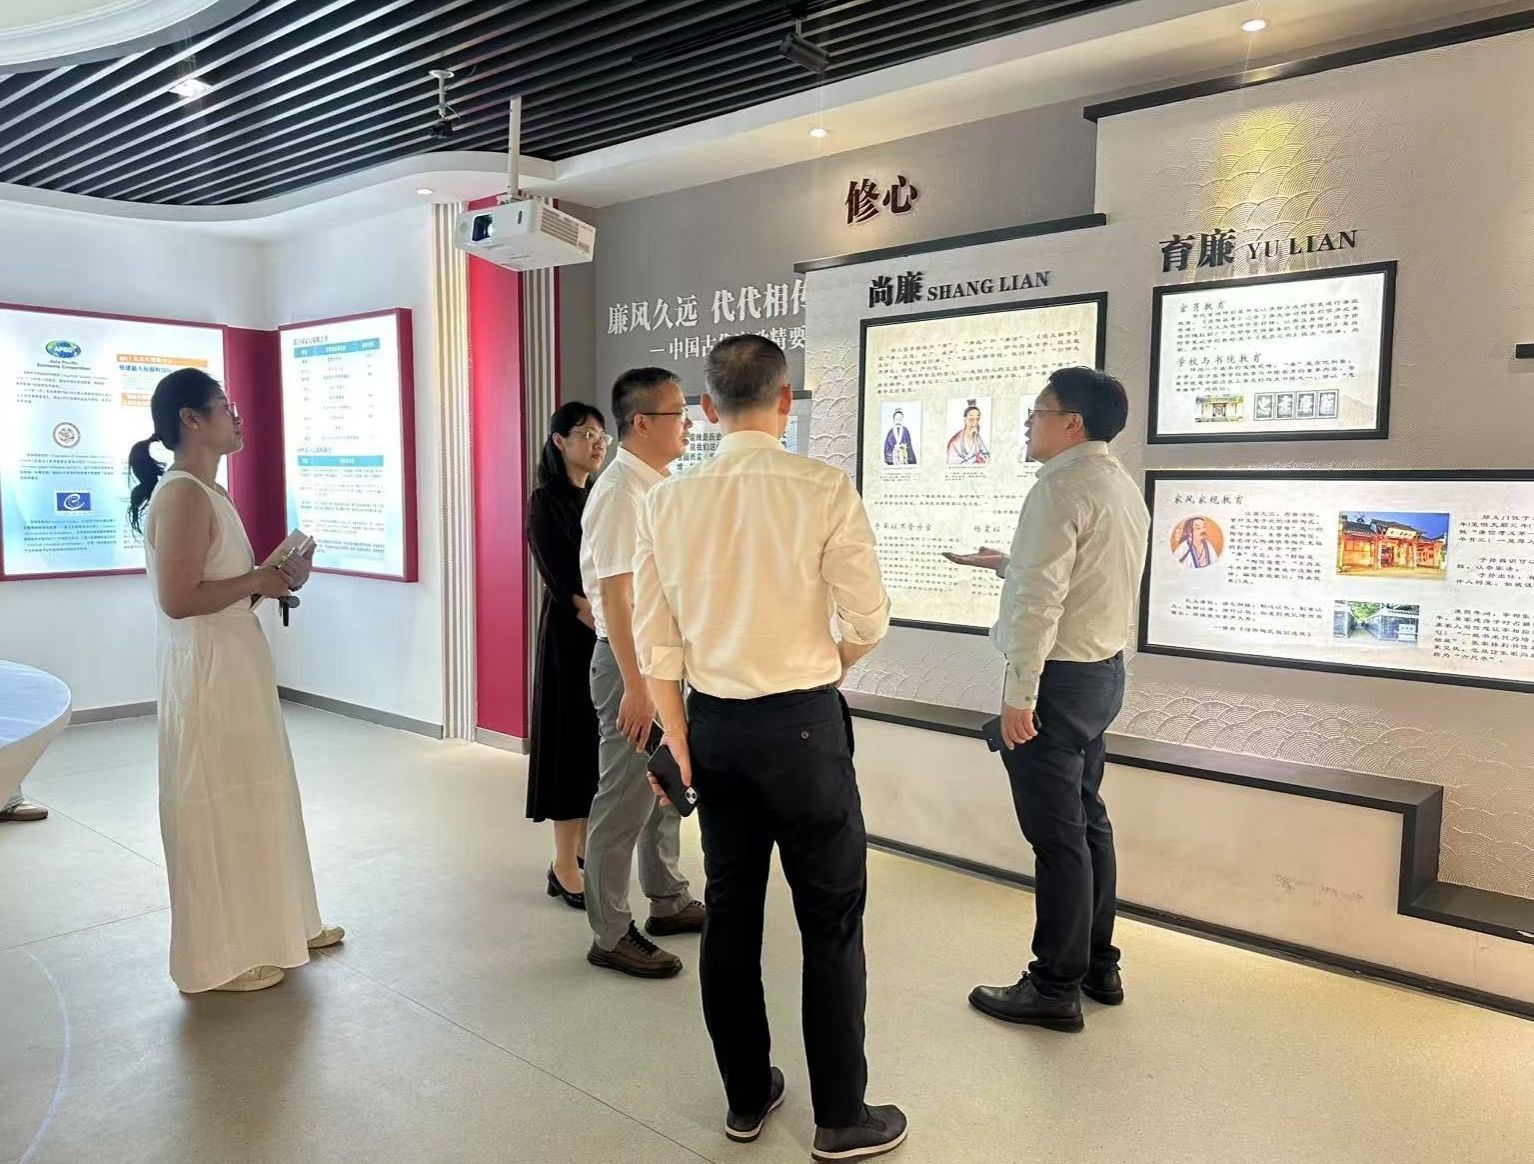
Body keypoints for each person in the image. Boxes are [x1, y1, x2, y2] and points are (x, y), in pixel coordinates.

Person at [634, 335, 907, 1161]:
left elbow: (657, 644)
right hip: (805, 728)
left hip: (714, 727)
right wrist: (830, 664)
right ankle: (841, 1117)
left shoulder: (667, 502)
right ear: (786, 402)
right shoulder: (822, 488)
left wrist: (678, 739)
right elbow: (868, 618)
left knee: (731, 913)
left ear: (707, 409)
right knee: (831, 919)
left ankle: (747, 1098)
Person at [128, 368, 340, 994]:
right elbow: (179, 599)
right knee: (217, 803)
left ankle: (283, 924)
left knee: (258, 794)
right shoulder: (183, 494)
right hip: (208, 672)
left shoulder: (209, 491)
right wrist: (259, 580)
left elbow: (219, 593)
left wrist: (273, 578)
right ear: (190, 419)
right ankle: (222, 957)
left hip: (234, 663)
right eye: (225, 406)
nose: (237, 416)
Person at [966, 367, 1148, 1032]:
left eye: (1037, 412)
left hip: (1056, 681)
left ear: (1072, 423)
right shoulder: (1118, 485)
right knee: (1088, 821)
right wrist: (1007, 564)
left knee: (1058, 838)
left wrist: (1020, 694)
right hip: (1100, 675)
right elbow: (1085, 578)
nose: (1027, 422)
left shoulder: (1059, 488)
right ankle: (1098, 965)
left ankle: (1053, 986)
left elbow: (1041, 604)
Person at [579, 367, 705, 978]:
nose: (689, 424)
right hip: (631, 663)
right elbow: (616, 595)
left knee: (664, 786)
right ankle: (609, 932)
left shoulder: (657, 485)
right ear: (642, 423)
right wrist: (637, 685)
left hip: (659, 661)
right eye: (679, 413)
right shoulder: (620, 493)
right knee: (625, 795)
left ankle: (668, 898)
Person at [526, 401, 609, 910]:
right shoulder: (546, 500)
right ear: (560, 441)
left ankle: (579, 853)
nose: (597, 443)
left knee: (596, 746)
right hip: (571, 634)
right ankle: (562, 864)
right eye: (586, 434)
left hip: (604, 630)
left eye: (601, 435)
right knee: (570, 745)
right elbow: (562, 579)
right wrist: (606, 624)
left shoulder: (597, 495)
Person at [946, 400, 989, 465]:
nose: (975, 423)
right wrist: (975, 459)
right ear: (965, 420)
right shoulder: (955, 442)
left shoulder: (977, 437)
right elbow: (953, 463)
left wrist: (981, 458)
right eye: (971, 420)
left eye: (977, 419)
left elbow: (986, 455)